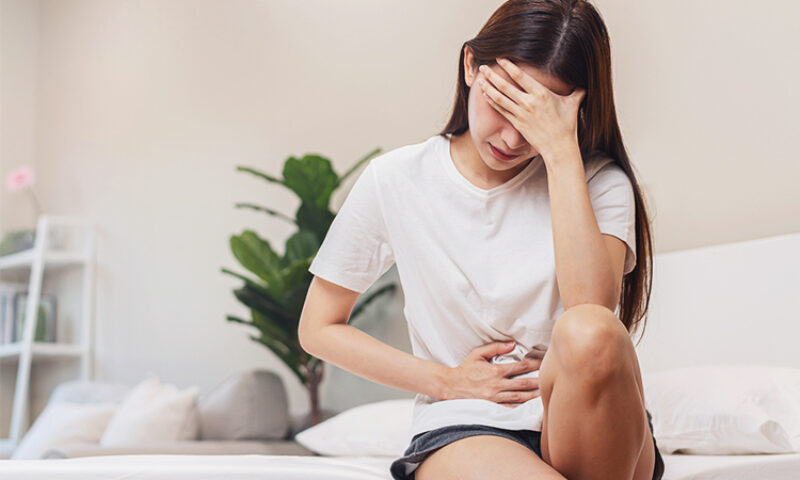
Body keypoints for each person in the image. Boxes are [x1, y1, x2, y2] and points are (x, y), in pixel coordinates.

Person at [298, 0, 664, 479]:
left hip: (595, 423)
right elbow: (318, 327)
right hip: (469, 426)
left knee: (590, 331)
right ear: (471, 65)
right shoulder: (396, 179)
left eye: (535, 116)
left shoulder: (599, 182)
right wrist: (447, 381)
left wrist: (560, 151)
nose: (512, 139)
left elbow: (590, 311)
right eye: (504, 104)